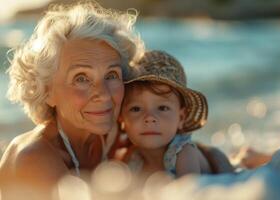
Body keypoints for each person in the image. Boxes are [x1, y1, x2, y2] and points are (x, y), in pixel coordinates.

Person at [0, 1, 144, 197]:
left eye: (111, 75)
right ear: (46, 90)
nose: (102, 93)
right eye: (81, 78)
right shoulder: (34, 159)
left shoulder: (114, 136)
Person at [119, 50, 234, 178]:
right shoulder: (132, 158)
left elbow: (189, 193)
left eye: (162, 108)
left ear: (181, 118)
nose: (149, 118)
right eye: (136, 109)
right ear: (122, 119)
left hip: (219, 166)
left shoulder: (184, 153)